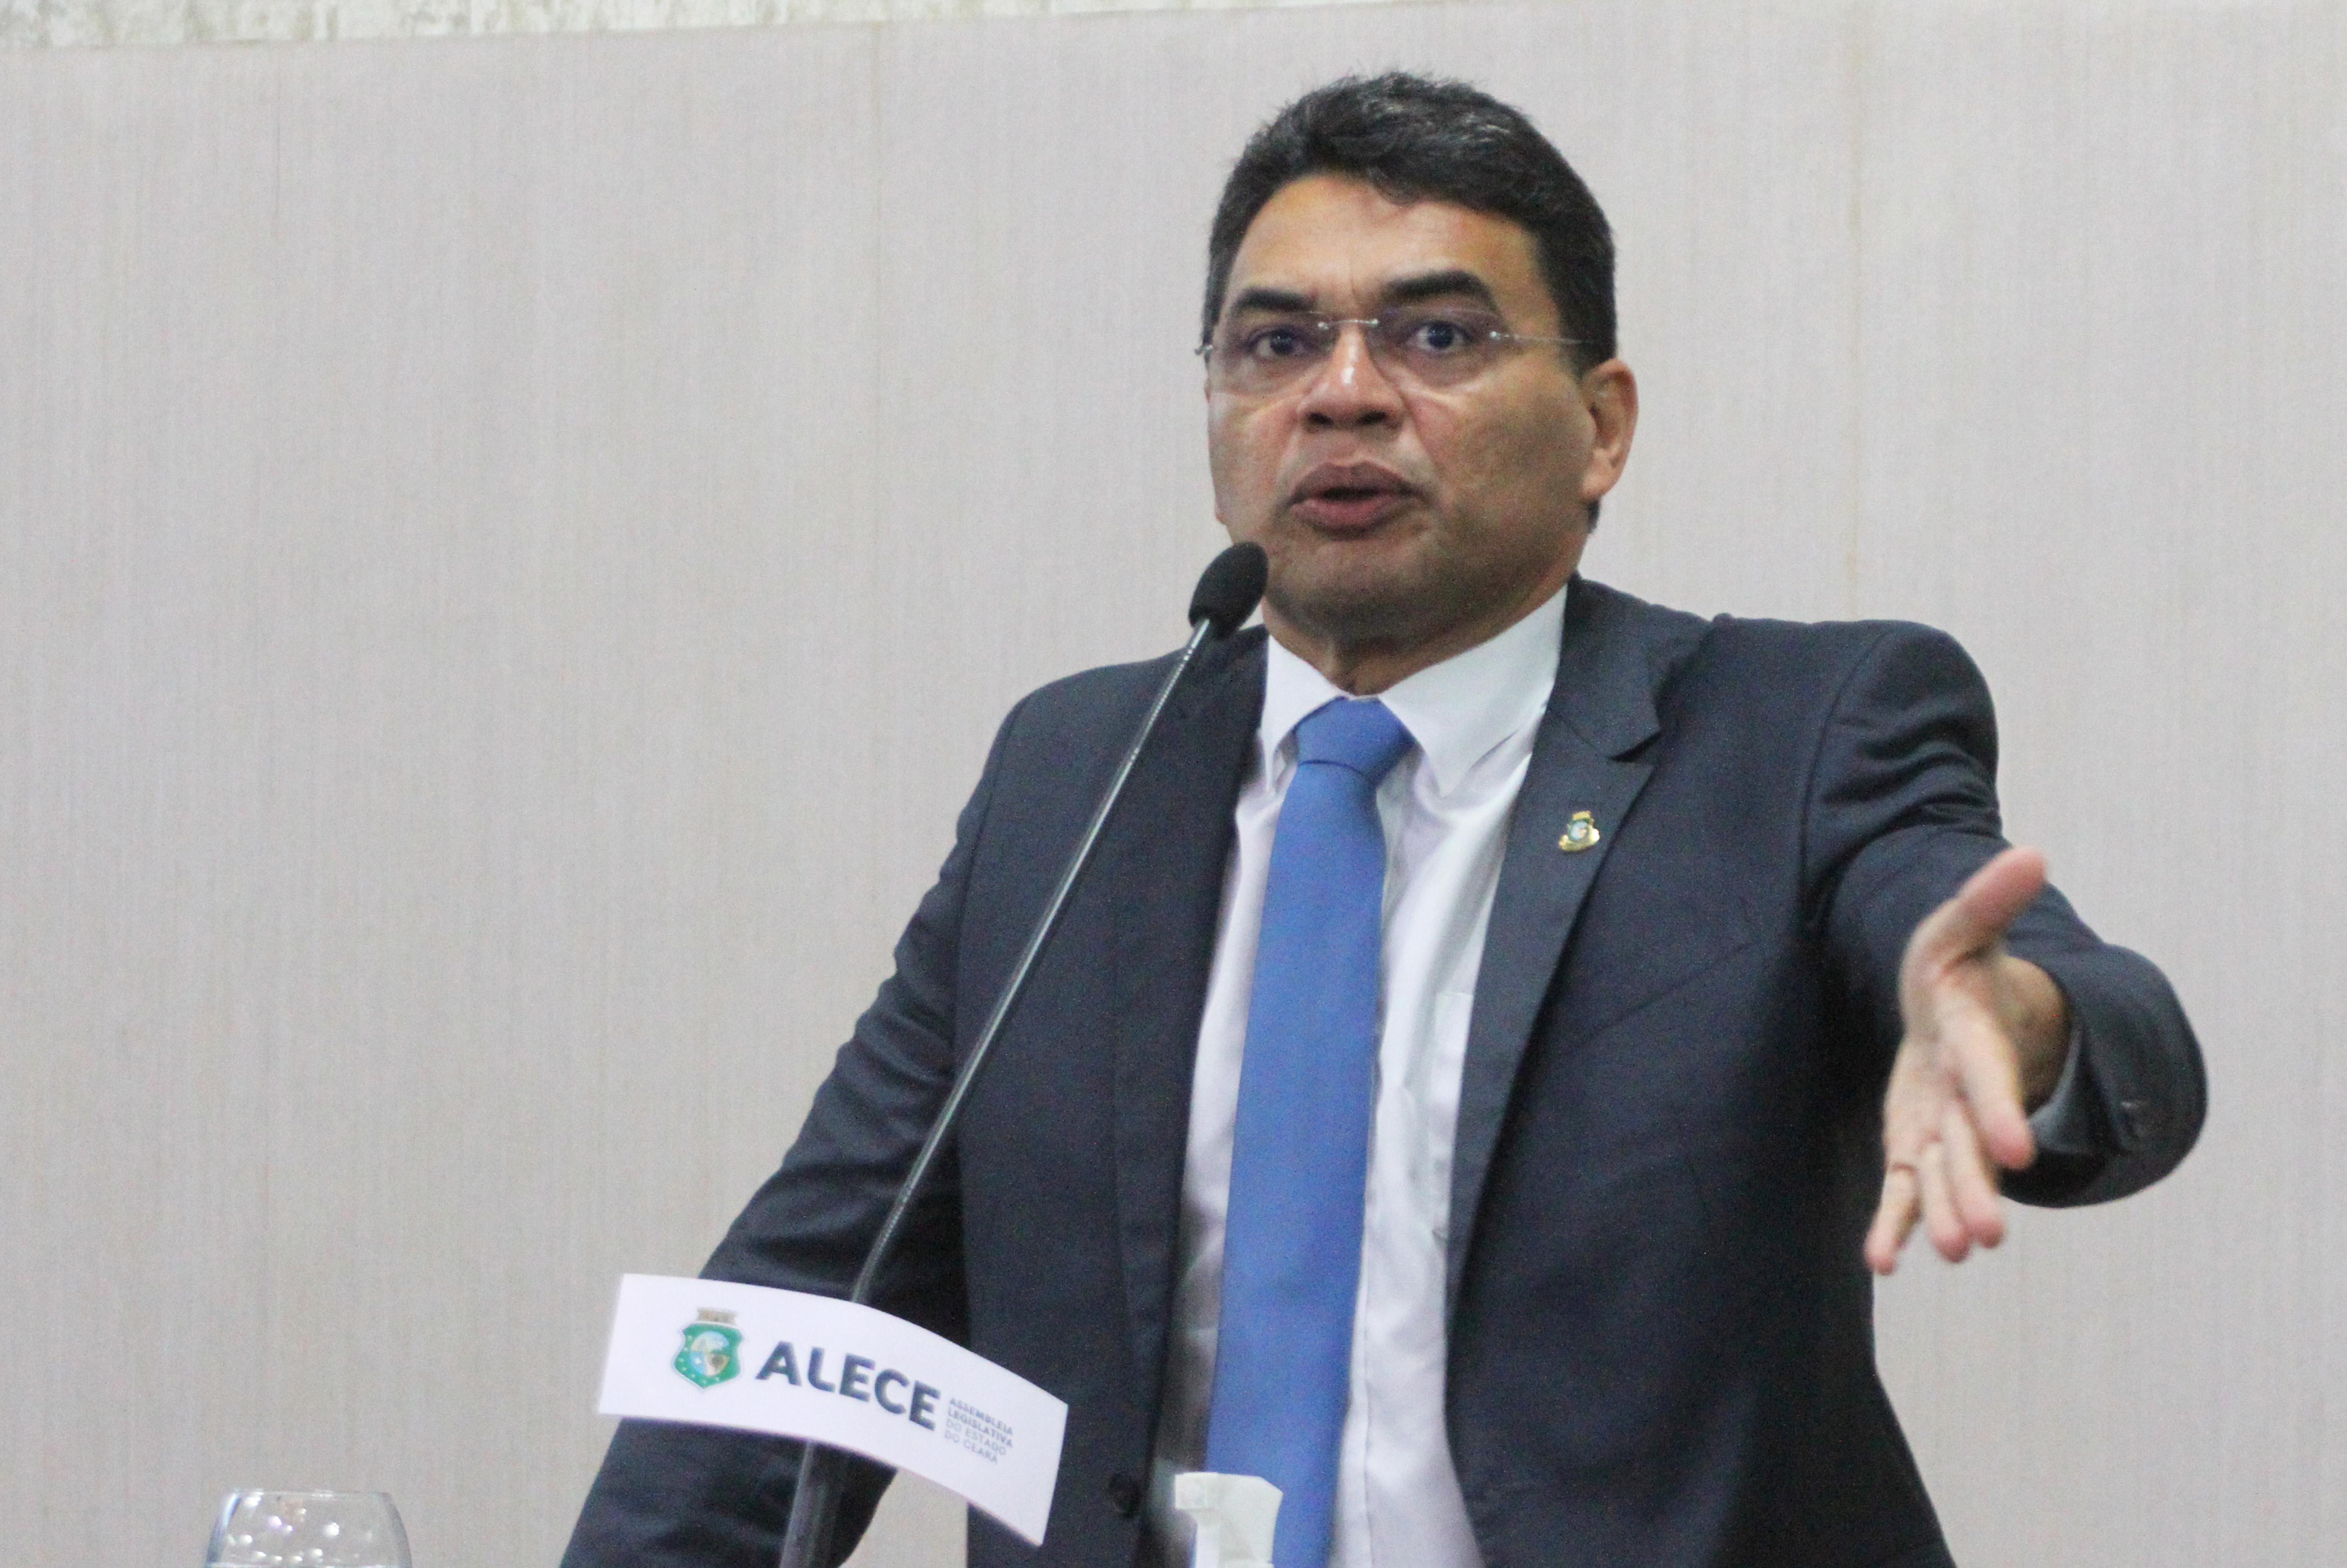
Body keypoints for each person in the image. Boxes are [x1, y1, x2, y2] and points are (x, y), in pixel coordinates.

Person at [563, 74, 2204, 1568]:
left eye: (1437, 337)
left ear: (1603, 425)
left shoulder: (1792, 736)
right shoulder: (1076, 777)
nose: (1343, 395)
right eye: (1275, 346)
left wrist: (2008, 1020)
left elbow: (2102, 1027)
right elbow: (816, 1302)